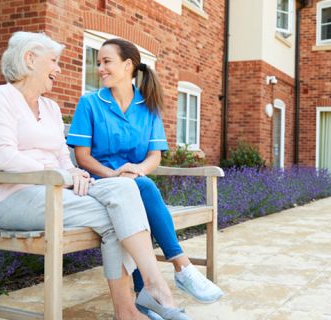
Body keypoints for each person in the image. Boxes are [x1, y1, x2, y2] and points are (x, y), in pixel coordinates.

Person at [0, 31, 190, 320]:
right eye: (53, 61)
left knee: (126, 189)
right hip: (13, 197)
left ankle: (143, 296)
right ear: (29, 60)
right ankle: (148, 295)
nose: (59, 68)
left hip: (56, 191)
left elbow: (65, 158)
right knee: (117, 217)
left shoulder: (50, 107)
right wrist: (61, 176)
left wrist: (75, 173)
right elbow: (4, 156)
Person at [67, 38, 224, 313]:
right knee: (144, 189)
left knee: (140, 190)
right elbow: (83, 157)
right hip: (99, 182)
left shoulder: (148, 106)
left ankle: (145, 297)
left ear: (128, 65)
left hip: (134, 183)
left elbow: (155, 156)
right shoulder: (90, 103)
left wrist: (136, 170)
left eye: (106, 62)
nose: (100, 68)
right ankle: (182, 267)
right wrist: (115, 174)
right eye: (99, 63)